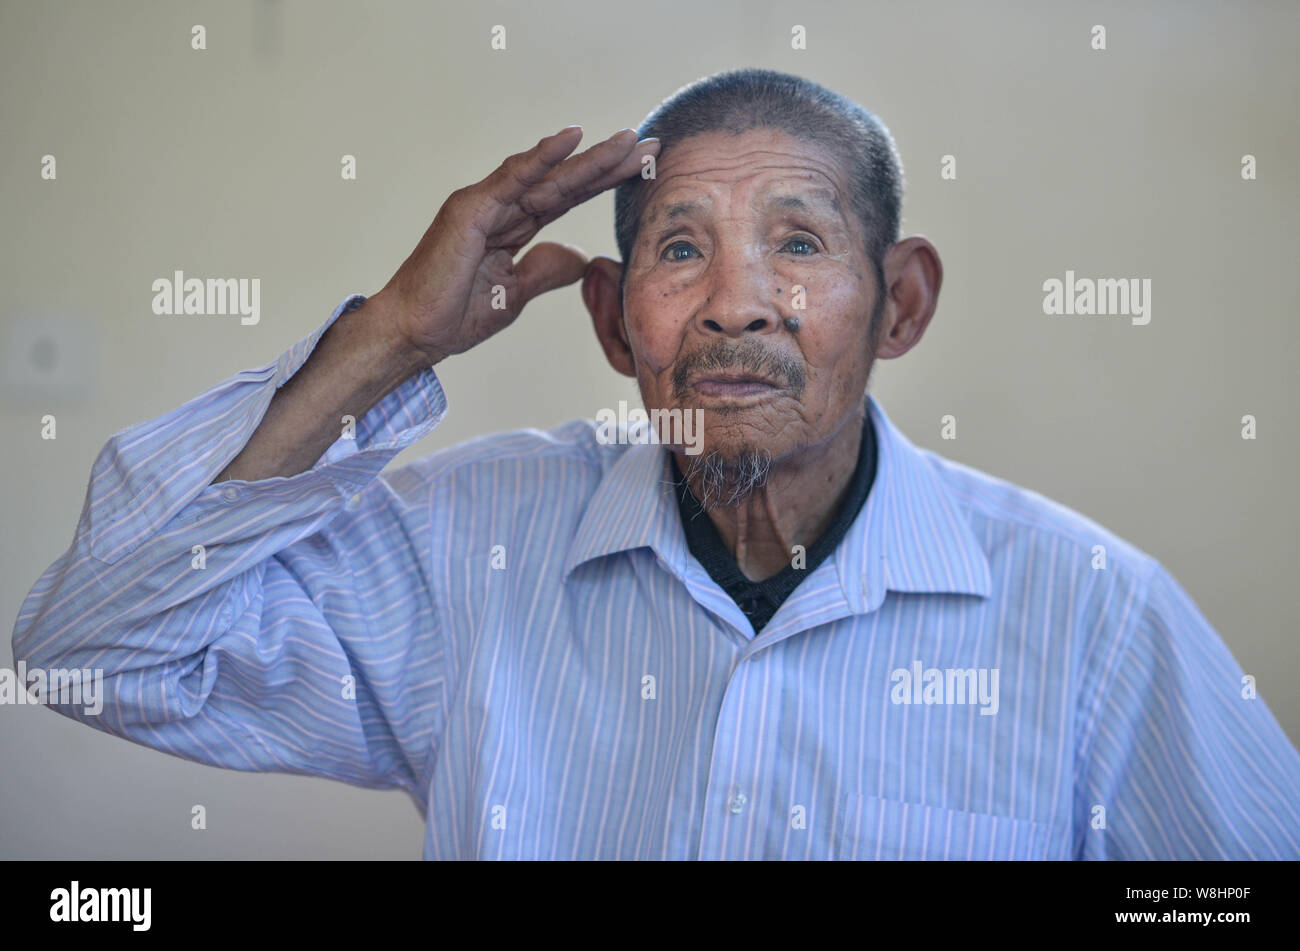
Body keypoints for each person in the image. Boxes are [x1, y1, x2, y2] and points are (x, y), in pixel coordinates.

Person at [12, 68, 1300, 860]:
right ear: (613, 317)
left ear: (900, 305)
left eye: (798, 242)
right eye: (683, 251)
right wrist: (389, 339)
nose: (738, 304)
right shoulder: (476, 544)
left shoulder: (1092, 614)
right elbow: (88, 656)